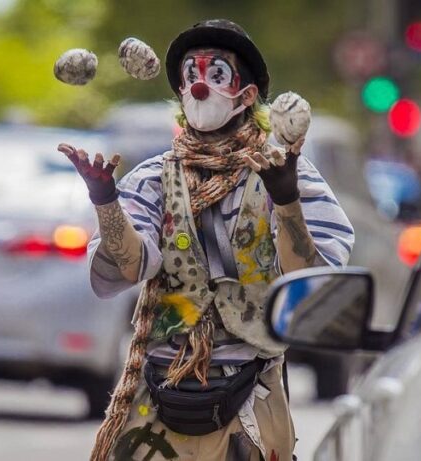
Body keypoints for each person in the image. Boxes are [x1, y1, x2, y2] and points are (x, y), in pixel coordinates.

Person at [57, 19, 354, 461]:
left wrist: (286, 200)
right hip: (161, 384)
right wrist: (106, 202)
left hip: (253, 389)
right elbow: (128, 266)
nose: (200, 87)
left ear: (246, 95)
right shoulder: (154, 178)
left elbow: (311, 282)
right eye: (190, 76)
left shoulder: (286, 173)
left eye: (215, 74)